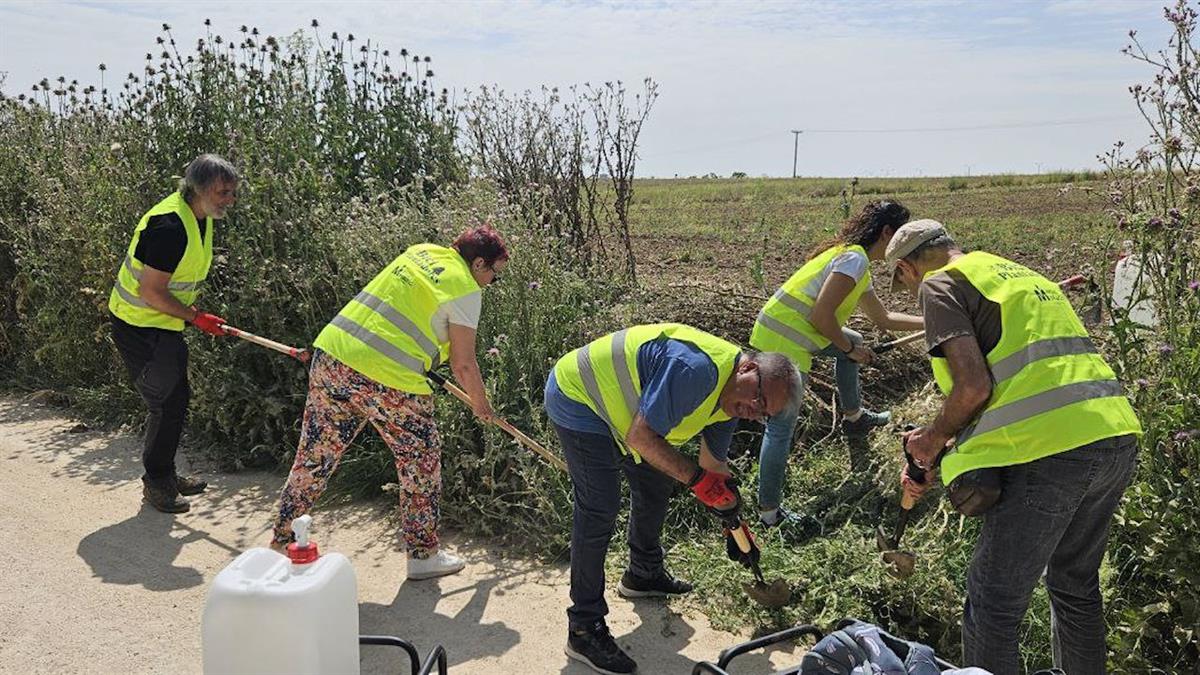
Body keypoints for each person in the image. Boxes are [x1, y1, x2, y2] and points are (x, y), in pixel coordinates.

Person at [887, 219, 1142, 675]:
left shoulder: (940, 284)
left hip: (1050, 452)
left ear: (907, 267)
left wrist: (930, 437)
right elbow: (1023, 380)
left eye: (902, 281)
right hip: (1113, 433)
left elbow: (972, 388)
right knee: (1074, 586)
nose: (908, 290)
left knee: (993, 602)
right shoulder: (1021, 275)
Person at [544, 323, 803, 675]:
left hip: (629, 416)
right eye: (757, 399)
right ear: (747, 368)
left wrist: (731, 519)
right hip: (581, 396)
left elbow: (713, 466)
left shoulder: (730, 402)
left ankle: (643, 574)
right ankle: (583, 628)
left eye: (763, 413)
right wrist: (697, 482)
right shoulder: (695, 370)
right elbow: (643, 437)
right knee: (599, 507)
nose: (752, 410)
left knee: (656, 483)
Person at [270, 225, 506, 581]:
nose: (492, 283)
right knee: (420, 462)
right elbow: (464, 363)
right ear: (477, 263)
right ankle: (423, 555)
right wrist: (481, 404)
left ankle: (282, 539)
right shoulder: (466, 288)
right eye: (493, 274)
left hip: (333, 357)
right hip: (390, 381)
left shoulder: (421, 251)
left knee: (314, 456)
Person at [749, 200, 923, 531]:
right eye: (898, 236)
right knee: (781, 424)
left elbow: (883, 319)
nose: (901, 247)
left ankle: (854, 418)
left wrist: (930, 319)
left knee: (854, 338)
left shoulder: (857, 262)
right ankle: (770, 514)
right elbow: (821, 316)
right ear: (886, 232)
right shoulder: (853, 259)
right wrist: (849, 351)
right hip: (784, 338)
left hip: (794, 330)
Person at [108, 153, 238, 514]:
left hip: (162, 322)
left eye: (232, 192)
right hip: (138, 323)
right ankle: (157, 483)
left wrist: (194, 317)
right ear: (199, 188)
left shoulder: (200, 215)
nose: (230, 200)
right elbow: (150, 291)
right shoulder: (169, 226)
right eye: (224, 192)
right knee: (167, 401)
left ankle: (164, 473)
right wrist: (197, 318)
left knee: (174, 399)